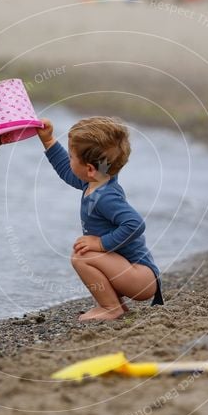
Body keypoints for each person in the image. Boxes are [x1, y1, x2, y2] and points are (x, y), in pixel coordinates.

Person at [36, 116, 164, 321]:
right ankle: (116, 305)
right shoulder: (97, 181)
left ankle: (111, 308)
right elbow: (67, 172)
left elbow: (135, 224)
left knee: (82, 256)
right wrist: (48, 141)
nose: (68, 161)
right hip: (132, 274)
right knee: (86, 254)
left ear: (89, 169)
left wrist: (101, 243)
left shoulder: (105, 196)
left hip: (141, 277)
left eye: (71, 156)